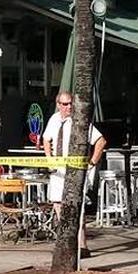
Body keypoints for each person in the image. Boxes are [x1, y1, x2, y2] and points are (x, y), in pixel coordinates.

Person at [42, 91, 107, 256]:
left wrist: (92, 162)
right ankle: (66, 242)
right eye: (65, 104)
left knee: (77, 208)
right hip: (57, 170)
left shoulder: (80, 121)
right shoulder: (54, 119)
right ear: (58, 105)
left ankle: (82, 246)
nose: (68, 107)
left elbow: (101, 141)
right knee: (58, 204)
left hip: (75, 170)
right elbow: (46, 139)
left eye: (71, 103)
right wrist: (49, 158)